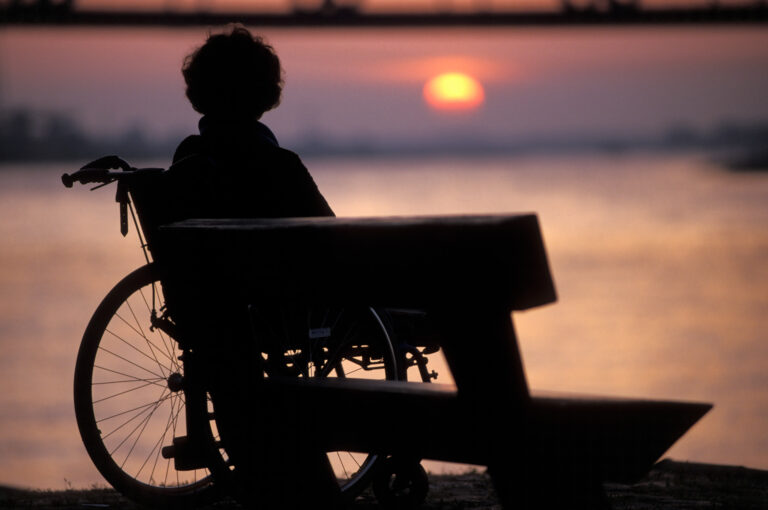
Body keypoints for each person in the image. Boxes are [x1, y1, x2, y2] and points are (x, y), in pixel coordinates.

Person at [165, 25, 341, 509]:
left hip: (207, 312)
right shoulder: (278, 165)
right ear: (264, 95)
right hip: (279, 314)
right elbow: (333, 240)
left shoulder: (187, 161)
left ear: (201, 93)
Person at [166, 24, 333, 220]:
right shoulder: (283, 166)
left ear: (199, 92)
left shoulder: (188, 157)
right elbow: (330, 234)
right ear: (266, 94)